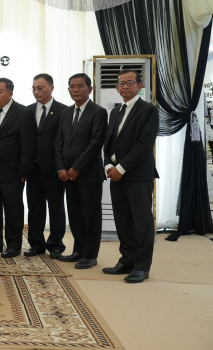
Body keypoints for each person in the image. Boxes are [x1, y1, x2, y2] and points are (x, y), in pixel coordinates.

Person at [103, 69, 159, 283]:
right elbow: (108, 143)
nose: (125, 86)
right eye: (121, 83)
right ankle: (127, 260)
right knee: (123, 220)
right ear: (117, 87)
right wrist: (109, 165)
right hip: (116, 175)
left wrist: (121, 168)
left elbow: (144, 145)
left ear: (139, 86)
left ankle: (142, 267)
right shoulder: (115, 111)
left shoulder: (148, 110)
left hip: (137, 176)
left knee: (142, 223)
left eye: (129, 83)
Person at [55, 73, 107, 269]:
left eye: (80, 86)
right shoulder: (65, 113)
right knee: (75, 213)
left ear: (89, 89)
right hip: (67, 175)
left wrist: (76, 168)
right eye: (72, 86)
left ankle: (90, 255)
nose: (75, 90)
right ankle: (78, 250)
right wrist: (61, 167)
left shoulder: (98, 112)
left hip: (88, 174)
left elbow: (95, 144)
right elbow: (59, 142)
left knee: (91, 215)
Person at [0, 78, 35, 257]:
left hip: (12, 172)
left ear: (10, 93)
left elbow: (28, 144)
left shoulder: (23, 113)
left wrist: (25, 169)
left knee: (13, 211)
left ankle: (13, 245)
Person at [24, 74, 68, 259]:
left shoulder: (64, 111)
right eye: (34, 88)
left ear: (52, 88)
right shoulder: (27, 111)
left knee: (56, 208)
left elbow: (65, 141)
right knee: (34, 208)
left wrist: (62, 166)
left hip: (54, 169)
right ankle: (36, 244)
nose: (36, 92)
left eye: (40, 88)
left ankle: (56, 245)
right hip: (33, 169)